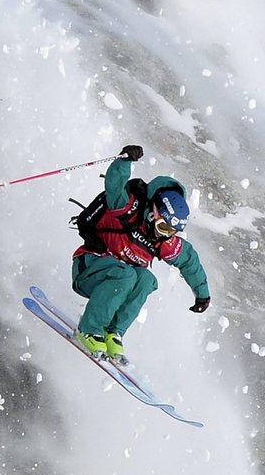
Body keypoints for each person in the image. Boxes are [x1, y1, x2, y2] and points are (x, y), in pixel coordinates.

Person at [71, 144, 210, 363]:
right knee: (125, 274)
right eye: (164, 228)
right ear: (154, 213)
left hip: (115, 284)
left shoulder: (163, 241)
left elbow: (189, 260)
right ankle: (89, 328)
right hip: (89, 268)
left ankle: (113, 332)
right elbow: (115, 187)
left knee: (146, 279)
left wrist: (202, 294)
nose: (165, 236)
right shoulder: (130, 209)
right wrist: (124, 162)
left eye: (172, 232)